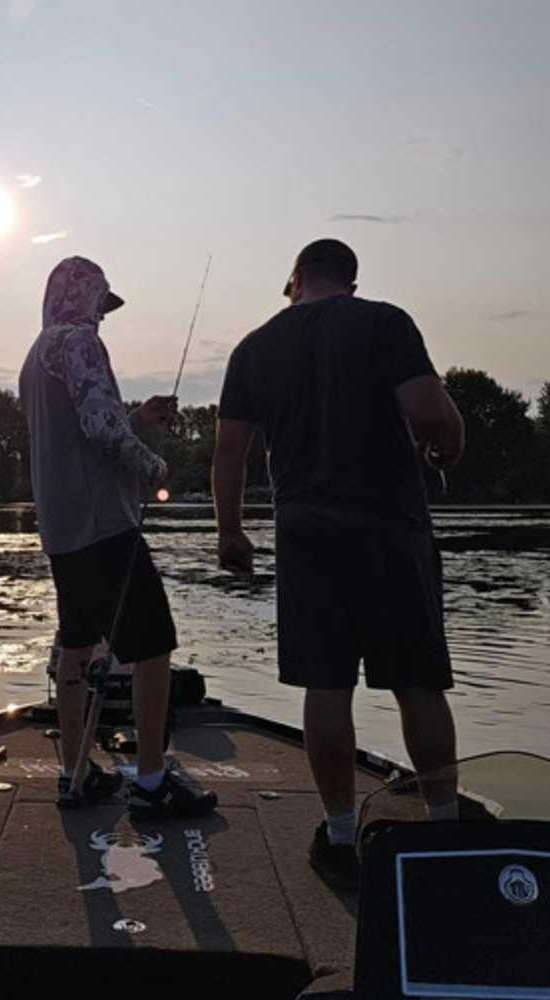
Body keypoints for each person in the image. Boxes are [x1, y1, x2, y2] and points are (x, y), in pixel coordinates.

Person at [212, 239, 464, 889]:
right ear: (350, 281)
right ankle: (444, 827)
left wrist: (231, 531)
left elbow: (230, 453)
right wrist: (446, 446)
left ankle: (341, 835)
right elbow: (429, 411)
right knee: (417, 684)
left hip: (305, 534)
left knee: (326, 687)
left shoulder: (253, 347)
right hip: (390, 527)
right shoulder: (383, 322)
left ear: (295, 279)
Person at [19, 255, 216, 819]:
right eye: (100, 304)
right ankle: (153, 781)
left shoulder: (36, 356)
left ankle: (75, 773)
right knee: (153, 645)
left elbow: (78, 428)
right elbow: (101, 431)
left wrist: (138, 416)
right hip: (104, 523)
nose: (102, 317)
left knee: (76, 645)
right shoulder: (80, 343)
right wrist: (153, 465)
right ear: (81, 297)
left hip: (61, 528)